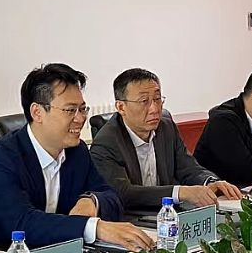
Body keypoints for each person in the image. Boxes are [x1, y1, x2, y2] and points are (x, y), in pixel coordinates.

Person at [0, 63, 154, 251]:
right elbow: (22, 222)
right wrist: (94, 228)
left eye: (82, 109)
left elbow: (112, 197)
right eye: (70, 110)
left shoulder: (76, 152)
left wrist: (92, 200)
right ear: (37, 112)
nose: (81, 118)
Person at [90, 68, 242, 211]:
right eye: (144, 101)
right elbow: (124, 193)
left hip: (168, 213)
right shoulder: (106, 142)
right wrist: (180, 192)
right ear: (121, 107)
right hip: (130, 219)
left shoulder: (166, 127)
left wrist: (211, 182)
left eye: (157, 99)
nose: (155, 109)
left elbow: (188, 168)